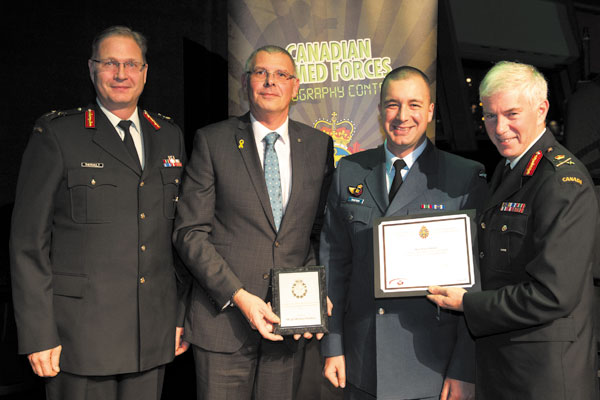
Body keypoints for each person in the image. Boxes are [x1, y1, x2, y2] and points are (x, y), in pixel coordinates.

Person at [9, 26, 189, 400]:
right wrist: (38, 333)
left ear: (145, 72)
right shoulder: (59, 133)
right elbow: (28, 242)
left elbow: (176, 239)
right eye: (110, 63)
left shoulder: (169, 135)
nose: (121, 74)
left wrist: (178, 316)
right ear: (92, 69)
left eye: (130, 64)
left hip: (150, 334)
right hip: (79, 338)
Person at [428, 61, 599, 399]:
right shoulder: (509, 170)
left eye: (511, 114)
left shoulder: (562, 182)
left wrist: (469, 304)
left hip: (544, 378)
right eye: (490, 115)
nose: (499, 127)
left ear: (542, 109)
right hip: (505, 367)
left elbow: (553, 294)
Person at [173, 45, 334, 399]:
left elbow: (318, 232)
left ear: (295, 86)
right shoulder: (212, 141)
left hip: (286, 325)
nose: (270, 81)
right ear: (246, 83)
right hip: (223, 323)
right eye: (261, 73)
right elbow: (189, 233)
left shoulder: (319, 145)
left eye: (281, 75)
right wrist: (239, 296)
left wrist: (318, 290)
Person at [320, 66, 488, 400]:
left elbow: (479, 284)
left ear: (429, 112)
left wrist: (463, 368)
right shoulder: (349, 170)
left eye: (414, 105)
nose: (402, 115)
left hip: (431, 368)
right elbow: (333, 266)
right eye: (393, 104)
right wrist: (332, 344)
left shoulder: (463, 177)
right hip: (362, 363)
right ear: (380, 110)